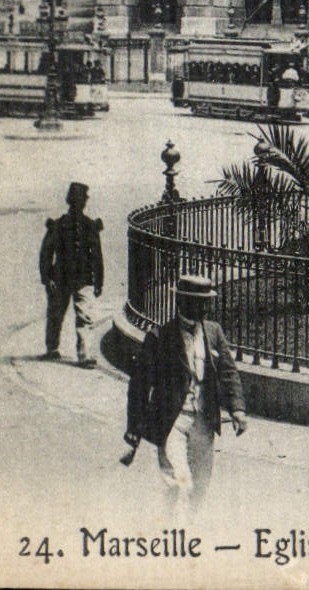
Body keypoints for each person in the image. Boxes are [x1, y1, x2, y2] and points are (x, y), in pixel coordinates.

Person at [124, 273, 247, 519]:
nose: (203, 308)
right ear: (181, 302)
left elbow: (228, 371)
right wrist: (134, 426)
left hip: (204, 420)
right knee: (179, 481)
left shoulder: (214, 332)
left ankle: (189, 526)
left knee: (201, 483)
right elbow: (139, 385)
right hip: (172, 420)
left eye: (206, 302)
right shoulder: (160, 337)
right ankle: (172, 529)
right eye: (196, 302)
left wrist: (237, 409)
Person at [39, 181, 104, 366]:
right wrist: (47, 278)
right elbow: (46, 253)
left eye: (81, 200)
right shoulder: (57, 225)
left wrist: (99, 281)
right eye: (78, 200)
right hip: (60, 279)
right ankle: (52, 349)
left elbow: (97, 256)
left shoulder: (90, 226)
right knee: (56, 315)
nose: (80, 204)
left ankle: (84, 355)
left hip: (83, 280)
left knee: (85, 317)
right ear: (71, 202)